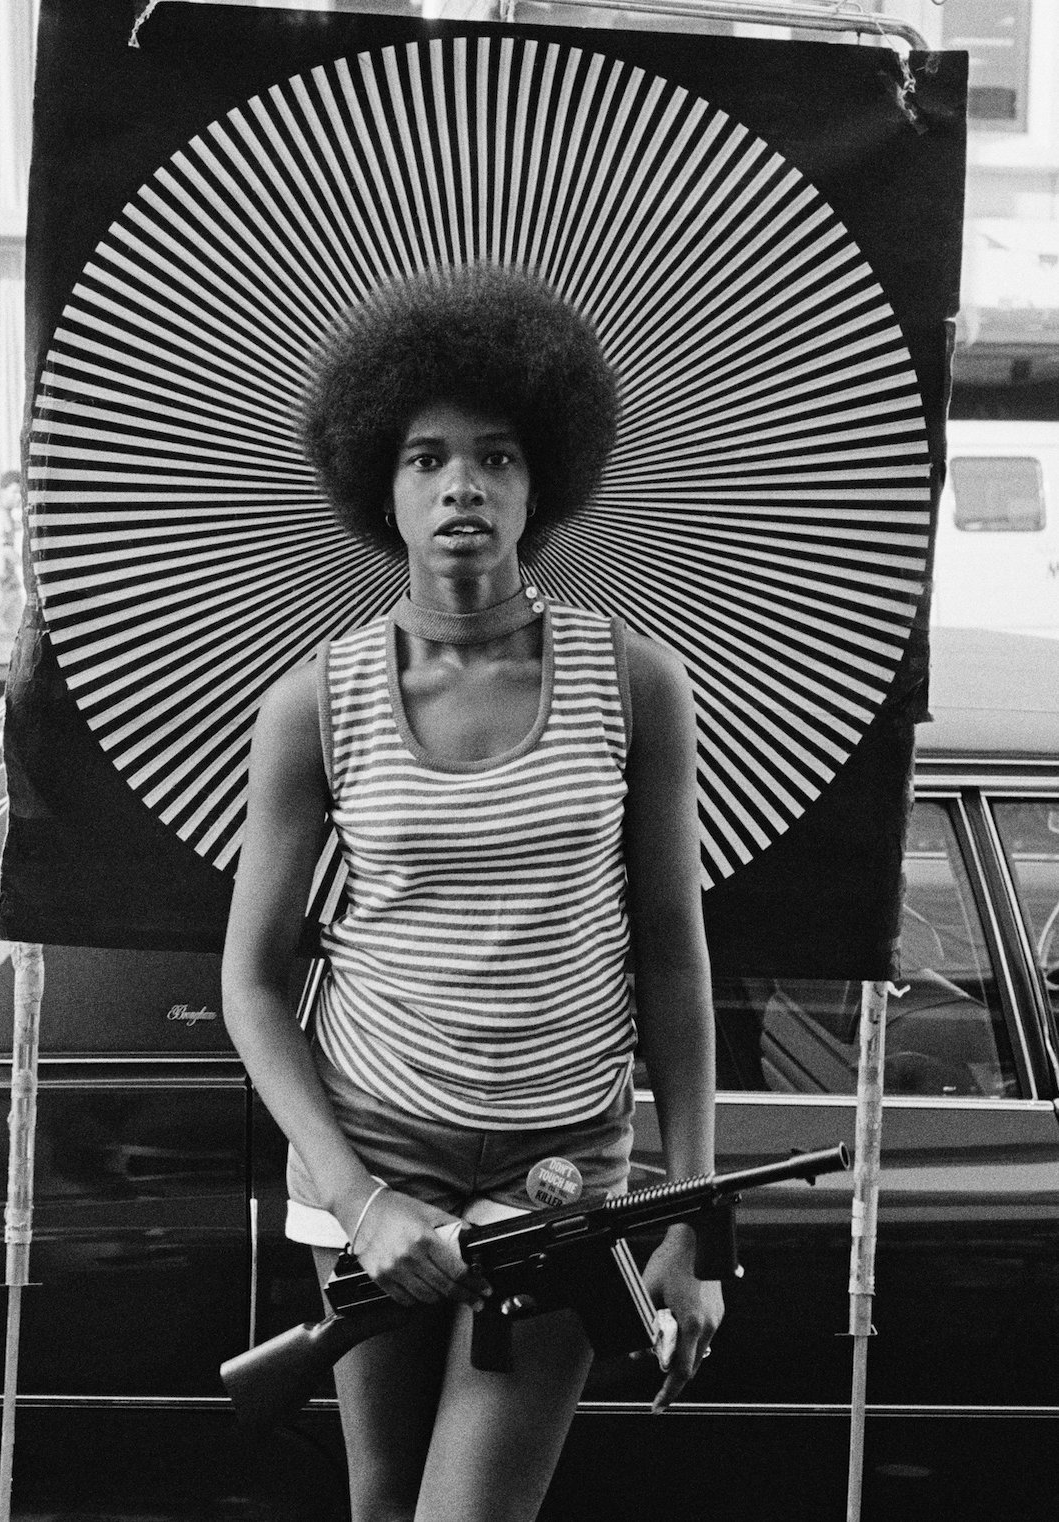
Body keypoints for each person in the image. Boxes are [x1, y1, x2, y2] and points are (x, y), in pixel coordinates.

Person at [221, 265, 722, 1522]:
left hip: (558, 1170)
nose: (462, 485)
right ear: (378, 487)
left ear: (540, 483)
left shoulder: (635, 681)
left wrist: (695, 1219)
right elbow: (252, 982)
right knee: (383, 1504)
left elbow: (671, 954)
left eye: (496, 456)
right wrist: (359, 1199)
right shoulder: (312, 702)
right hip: (374, 1149)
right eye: (426, 457)